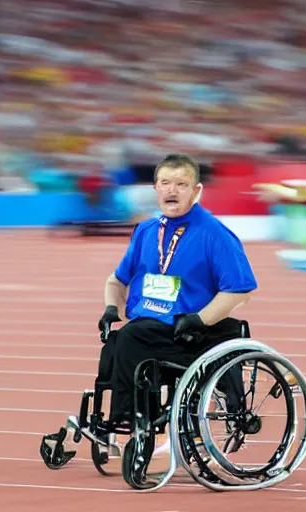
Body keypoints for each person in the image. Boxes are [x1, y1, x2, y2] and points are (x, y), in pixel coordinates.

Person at [97, 153, 258, 425]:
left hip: (193, 333)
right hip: (151, 328)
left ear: (196, 191)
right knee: (116, 342)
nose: (172, 190)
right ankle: (138, 419)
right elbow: (116, 281)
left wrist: (199, 319)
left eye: (181, 184)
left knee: (130, 339)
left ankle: (126, 416)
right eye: (165, 183)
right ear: (155, 189)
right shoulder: (146, 231)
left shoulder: (215, 234)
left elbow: (239, 290)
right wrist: (111, 307)